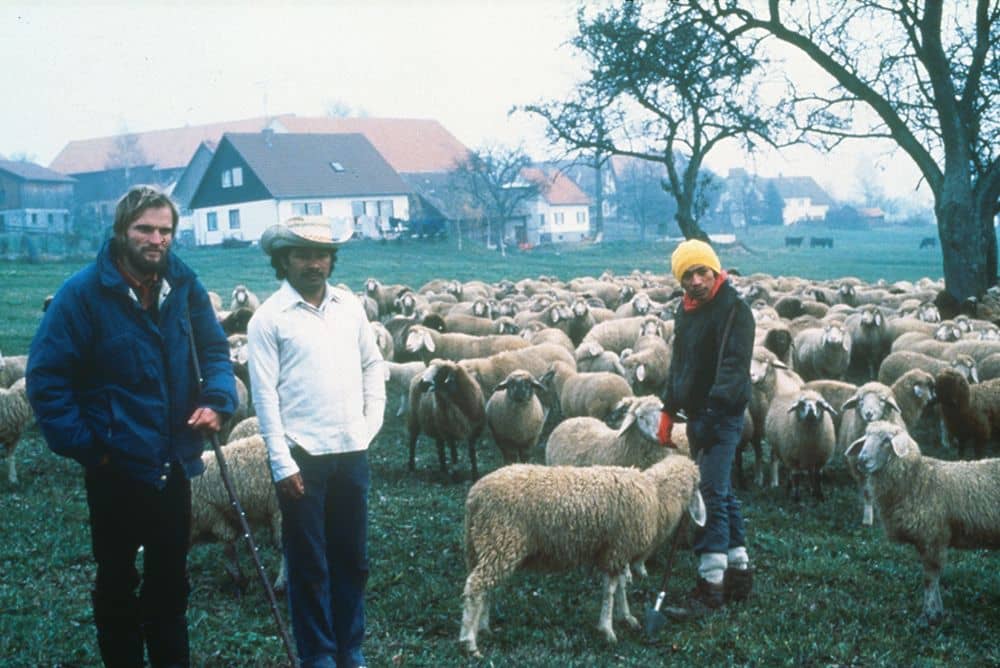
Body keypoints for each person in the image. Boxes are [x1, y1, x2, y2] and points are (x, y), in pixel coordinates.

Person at [26, 185, 237, 667]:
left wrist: (218, 401)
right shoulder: (82, 295)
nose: (156, 239)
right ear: (122, 231)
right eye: (145, 228)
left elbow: (215, 351)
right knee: (118, 580)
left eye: (165, 230)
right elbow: (45, 379)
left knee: (171, 581)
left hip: (174, 463)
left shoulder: (184, 288)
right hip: (114, 469)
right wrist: (90, 447)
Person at [247, 216, 385, 668]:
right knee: (309, 562)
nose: (313, 263)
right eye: (301, 254)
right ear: (282, 260)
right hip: (303, 454)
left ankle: (351, 648)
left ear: (332, 259)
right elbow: (264, 395)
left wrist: (368, 428)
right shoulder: (270, 318)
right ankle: (318, 654)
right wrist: (280, 460)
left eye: (321, 254)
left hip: (350, 452)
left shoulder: (349, 306)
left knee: (352, 558)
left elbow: (372, 366)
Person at [659, 239, 755, 613]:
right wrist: (669, 409)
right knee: (722, 490)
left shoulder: (734, 311)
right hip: (697, 415)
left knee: (709, 493)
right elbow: (679, 364)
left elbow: (733, 369)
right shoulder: (687, 311)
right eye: (688, 275)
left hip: (723, 413)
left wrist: (714, 415)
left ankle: (710, 585)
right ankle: (739, 571)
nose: (696, 280)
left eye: (702, 272)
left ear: (715, 271)